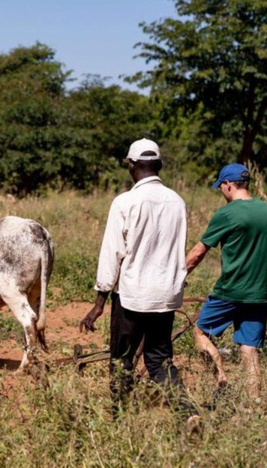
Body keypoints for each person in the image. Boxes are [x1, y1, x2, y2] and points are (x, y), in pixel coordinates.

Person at [80, 139, 198, 425]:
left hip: (132, 296)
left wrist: (98, 304)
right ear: (159, 165)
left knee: (122, 359)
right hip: (166, 296)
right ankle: (188, 413)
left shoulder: (125, 202)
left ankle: (120, 421)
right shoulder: (177, 201)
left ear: (130, 165)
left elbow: (112, 254)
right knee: (159, 360)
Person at [186, 163, 267, 401]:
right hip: (258, 293)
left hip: (230, 291)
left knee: (200, 333)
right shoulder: (266, 211)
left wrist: (178, 275)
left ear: (228, 185)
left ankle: (221, 378)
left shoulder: (227, 213)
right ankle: (255, 403)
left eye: (221, 187)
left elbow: (198, 252)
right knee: (249, 348)